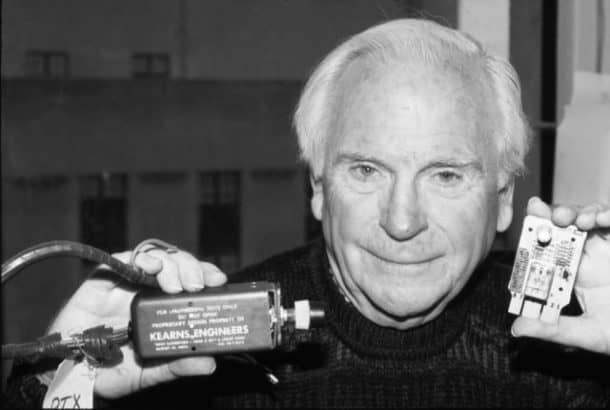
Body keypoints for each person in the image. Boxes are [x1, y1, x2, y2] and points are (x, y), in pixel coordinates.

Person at [5, 18, 610, 408]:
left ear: (503, 201)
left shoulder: (574, 353)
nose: (402, 222)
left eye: (446, 175)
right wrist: (55, 386)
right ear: (318, 189)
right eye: (365, 171)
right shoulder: (209, 355)